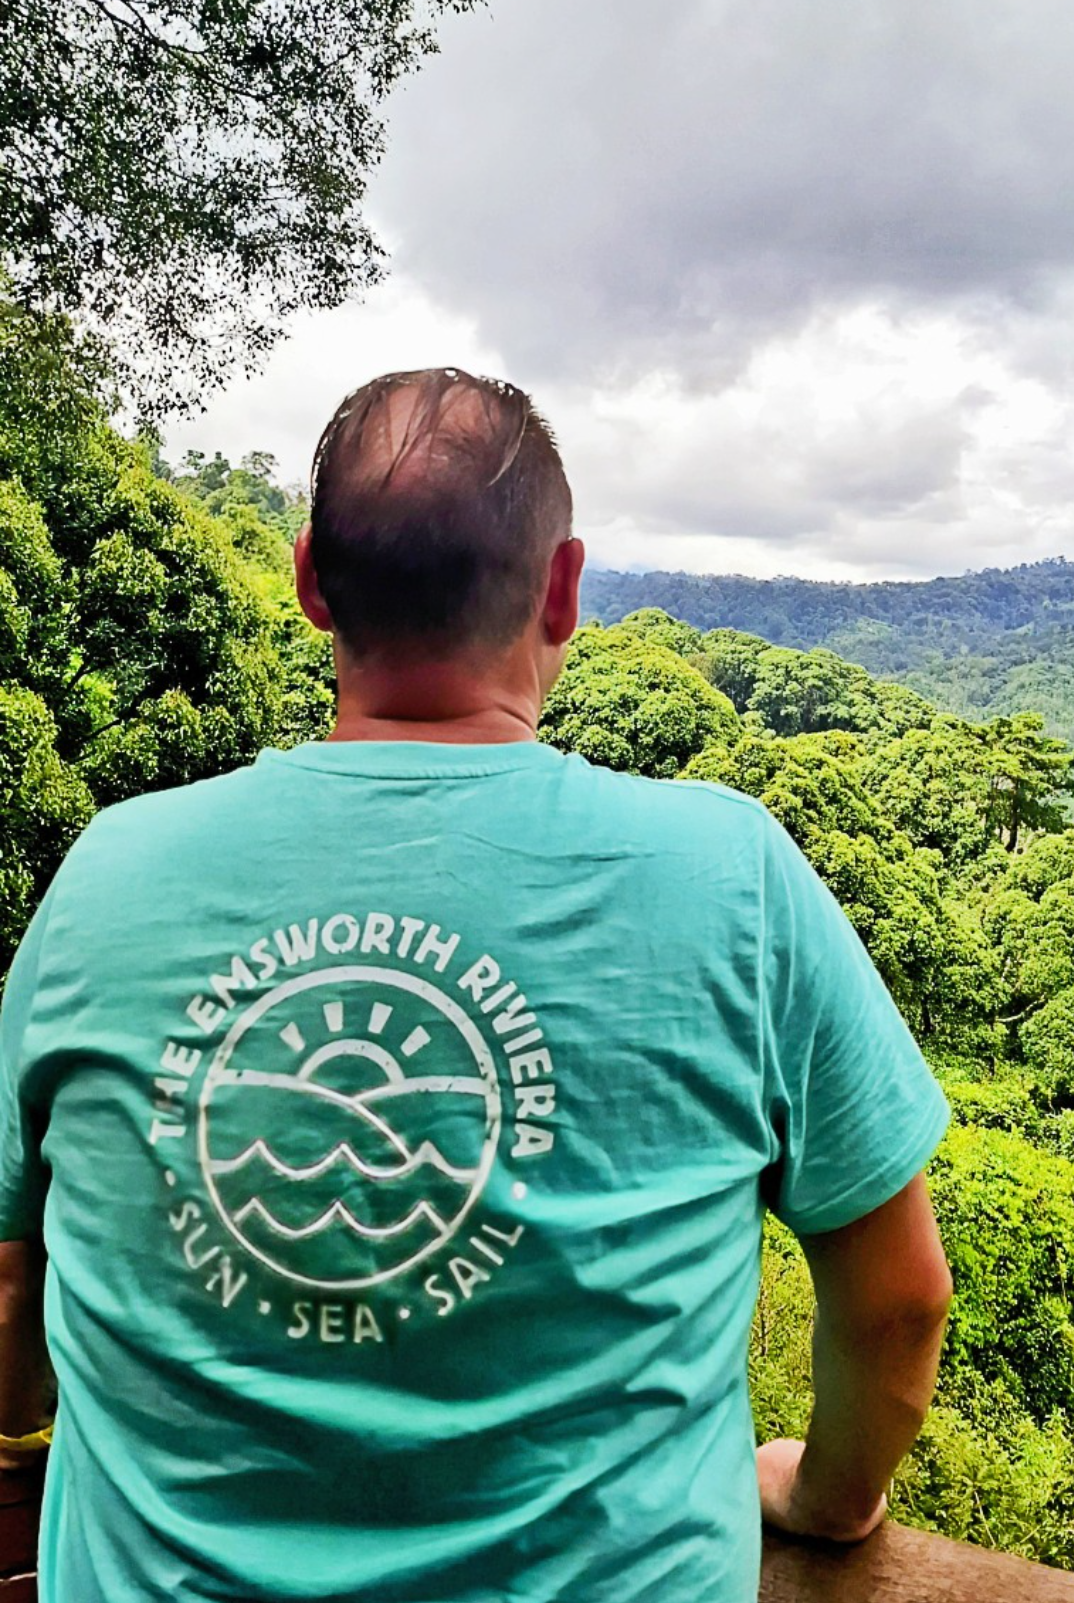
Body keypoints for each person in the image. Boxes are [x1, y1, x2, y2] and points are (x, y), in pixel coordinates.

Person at [0, 367, 953, 1602]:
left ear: (309, 581)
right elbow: (899, 1305)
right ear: (563, 587)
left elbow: (12, 1278)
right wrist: (827, 1501)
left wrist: (25, 1445)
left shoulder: (109, 873)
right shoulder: (733, 877)